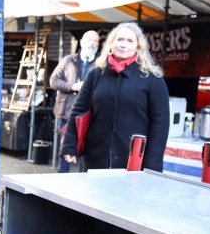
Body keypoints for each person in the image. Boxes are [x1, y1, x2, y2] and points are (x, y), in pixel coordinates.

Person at [61, 22, 169, 171]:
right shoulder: (96, 74)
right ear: (111, 43)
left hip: (134, 162)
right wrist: (69, 145)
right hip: (96, 158)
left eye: (130, 41)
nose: (124, 45)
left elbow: (160, 124)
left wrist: (152, 164)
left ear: (138, 46)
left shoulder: (152, 78)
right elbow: (78, 110)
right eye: (120, 39)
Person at [50, 30, 100, 172]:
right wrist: (72, 86)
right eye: (90, 39)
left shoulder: (101, 63)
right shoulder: (68, 60)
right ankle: (62, 177)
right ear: (81, 42)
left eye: (96, 41)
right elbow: (53, 81)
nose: (93, 43)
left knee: (88, 146)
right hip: (67, 111)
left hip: (90, 112)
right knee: (65, 145)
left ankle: (83, 178)